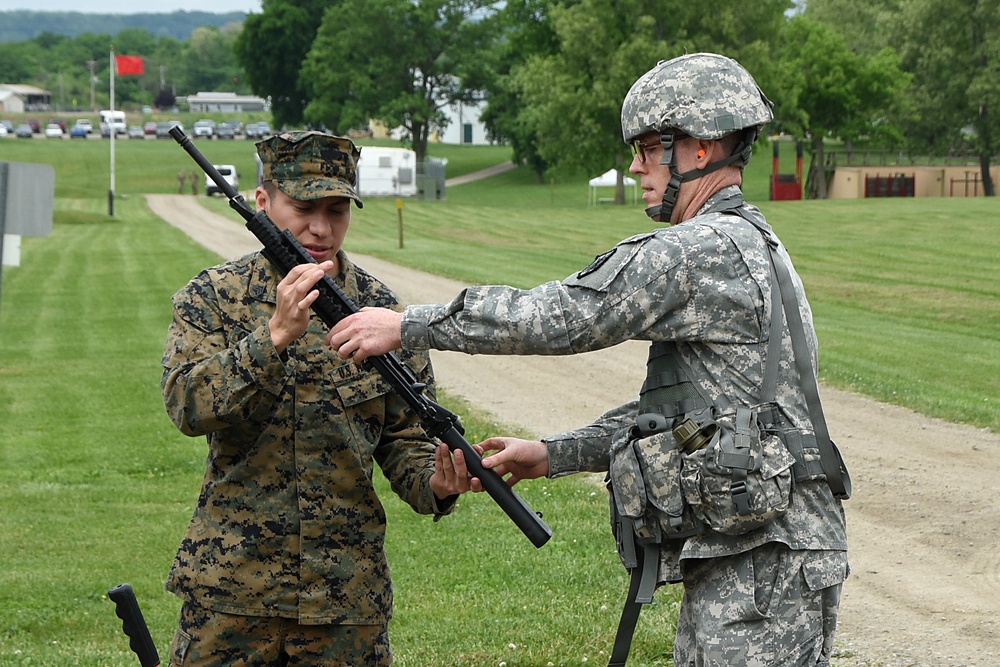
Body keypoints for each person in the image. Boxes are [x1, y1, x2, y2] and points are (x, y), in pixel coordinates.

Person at [327, 53, 849, 666]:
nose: (634, 166)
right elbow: (694, 416)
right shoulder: (751, 242)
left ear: (700, 149)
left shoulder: (699, 250)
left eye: (648, 147)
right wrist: (554, 454)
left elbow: (565, 316)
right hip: (765, 551)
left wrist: (410, 324)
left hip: (765, 562)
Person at [160, 130, 472, 667]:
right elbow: (187, 403)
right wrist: (272, 337)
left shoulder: (378, 311)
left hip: (345, 603)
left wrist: (436, 483)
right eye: (304, 207)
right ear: (264, 202)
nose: (321, 228)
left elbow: (405, 440)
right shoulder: (213, 297)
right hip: (232, 595)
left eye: (337, 210)